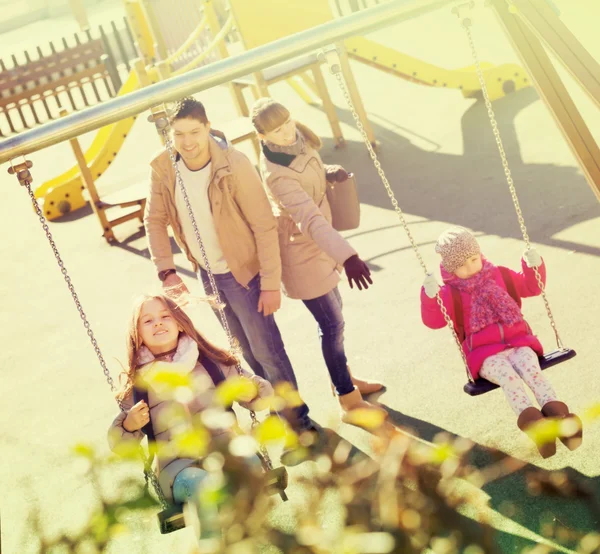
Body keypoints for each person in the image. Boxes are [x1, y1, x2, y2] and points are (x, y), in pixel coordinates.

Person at [144, 96, 314, 433]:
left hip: (245, 275)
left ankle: (299, 424)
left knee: (268, 351)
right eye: (179, 134)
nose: (187, 142)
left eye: (194, 131)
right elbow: (154, 219)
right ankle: (276, 413)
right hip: (207, 273)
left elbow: (264, 225)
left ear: (208, 127)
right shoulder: (164, 167)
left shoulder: (234, 164)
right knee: (244, 350)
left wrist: (269, 282)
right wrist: (167, 271)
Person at [250, 97, 386, 427]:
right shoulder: (276, 177)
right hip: (304, 253)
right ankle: (348, 400)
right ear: (263, 138)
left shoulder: (300, 142)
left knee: (334, 320)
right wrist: (349, 255)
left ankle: (345, 381)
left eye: (287, 123)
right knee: (332, 325)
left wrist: (327, 172)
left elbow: (310, 173)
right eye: (276, 131)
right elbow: (309, 219)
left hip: (323, 244)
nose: (286, 133)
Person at [107, 294, 273, 544]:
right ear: (137, 333)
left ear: (180, 322)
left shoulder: (212, 362)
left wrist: (252, 391)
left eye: (165, 316)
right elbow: (121, 446)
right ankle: (213, 547)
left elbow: (261, 396)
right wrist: (129, 426)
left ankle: (250, 535)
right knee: (203, 485)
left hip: (225, 451)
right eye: (148, 320)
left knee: (249, 465)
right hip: (178, 470)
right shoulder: (138, 384)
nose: (158, 324)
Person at [421, 227, 582, 457]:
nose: (470, 268)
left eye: (474, 259)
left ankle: (560, 417)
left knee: (533, 371)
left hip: (519, 343)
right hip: (484, 355)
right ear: (449, 267)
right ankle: (536, 426)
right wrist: (429, 296)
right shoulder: (449, 293)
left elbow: (532, 286)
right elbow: (434, 320)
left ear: (480, 254)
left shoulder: (500, 275)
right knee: (509, 377)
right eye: (461, 265)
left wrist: (533, 265)